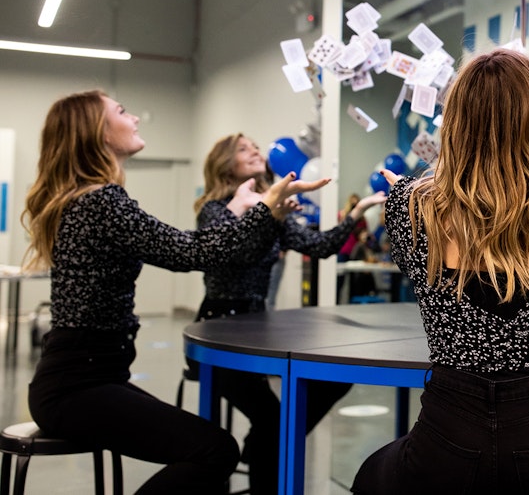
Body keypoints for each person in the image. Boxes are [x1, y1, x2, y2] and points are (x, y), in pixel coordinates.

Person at [350, 48, 529, 495]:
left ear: (457, 121)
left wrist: (404, 199)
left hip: (446, 440)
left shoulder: (411, 204)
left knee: (370, 476)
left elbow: (412, 264)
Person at [22, 90, 324, 495]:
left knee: (211, 447)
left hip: (84, 379)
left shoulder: (87, 200)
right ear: (98, 132)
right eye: (122, 111)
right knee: (213, 451)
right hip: (78, 386)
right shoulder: (102, 202)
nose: (135, 119)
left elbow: (191, 246)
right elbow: (192, 252)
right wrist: (264, 206)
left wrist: (239, 209)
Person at [192, 133, 386, 495]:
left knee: (330, 381)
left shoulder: (273, 212)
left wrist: (357, 215)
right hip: (217, 333)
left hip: (255, 326)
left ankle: (259, 448)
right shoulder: (214, 209)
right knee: (271, 421)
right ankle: (266, 455)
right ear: (224, 163)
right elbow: (230, 253)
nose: (255, 151)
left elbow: (321, 246)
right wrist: (266, 214)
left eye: (254, 146)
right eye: (244, 148)